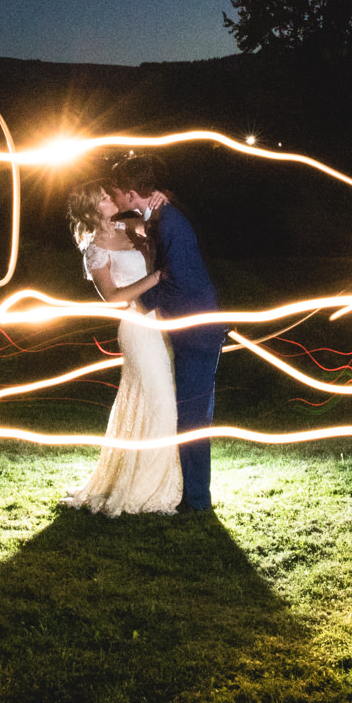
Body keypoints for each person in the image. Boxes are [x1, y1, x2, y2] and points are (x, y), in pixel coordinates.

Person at [58, 178, 183, 516]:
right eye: (102, 197)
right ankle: (147, 489)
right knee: (161, 401)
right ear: (91, 208)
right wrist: (156, 278)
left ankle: (158, 479)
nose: (110, 198)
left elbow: (158, 219)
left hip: (161, 322)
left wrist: (160, 199)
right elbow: (112, 297)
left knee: (158, 398)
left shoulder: (128, 226)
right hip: (137, 327)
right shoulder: (94, 249)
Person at [108, 153, 223, 513]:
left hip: (197, 331)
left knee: (191, 419)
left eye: (116, 192)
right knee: (190, 413)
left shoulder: (169, 221)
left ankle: (197, 501)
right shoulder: (159, 217)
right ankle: (189, 493)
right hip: (190, 330)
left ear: (130, 193)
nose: (114, 198)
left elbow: (181, 283)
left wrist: (144, 297)